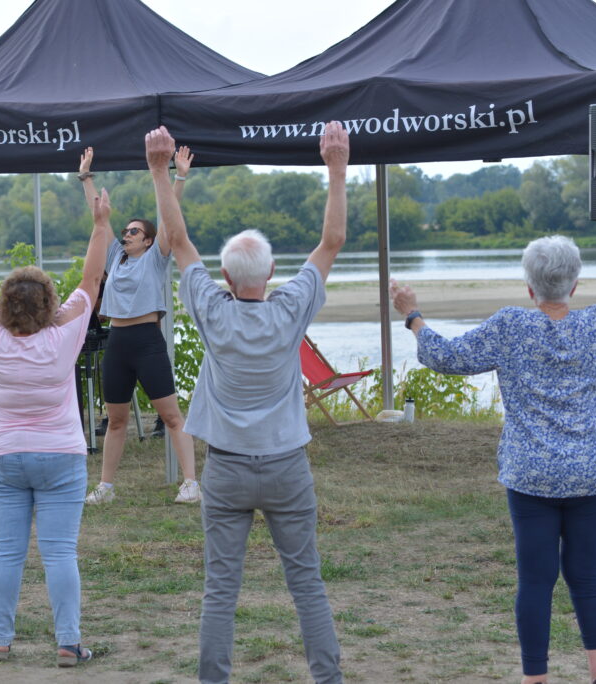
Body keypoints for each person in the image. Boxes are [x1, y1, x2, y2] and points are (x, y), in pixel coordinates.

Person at [146, 123, 349, 684]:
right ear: (272, 276)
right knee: (306, 581)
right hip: (287, 468)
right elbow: (330, 243)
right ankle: (327, 677)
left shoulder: (213, 310)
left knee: (221, 588)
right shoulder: (290, 311)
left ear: (227, 278)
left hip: (228, 469)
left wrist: (161, 170)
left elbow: (179, 241)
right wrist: (336, 166)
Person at [390, 236, 596, 684]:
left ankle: (536, 679)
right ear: (575, 285)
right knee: (588, 576)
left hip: (530, 474)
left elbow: (446, 356)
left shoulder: (512, 326)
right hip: (592, 473)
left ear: (530, 288)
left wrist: (412, 316)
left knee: (536, 580)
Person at [0, 185, 111, 667]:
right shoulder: (65, 334)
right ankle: (68, 643)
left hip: (4, 455)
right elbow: (91, 278)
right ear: (48, 303)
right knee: (60, 553)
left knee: (7, 553)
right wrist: (102, 224)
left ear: (8, 303)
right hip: (61, 455)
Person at [78, 145, 200, 505]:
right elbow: (98, 217)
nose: (126, 234)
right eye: (126, 230)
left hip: (147, 340)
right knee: (116, 420)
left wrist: (177, 177)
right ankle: (106, 487)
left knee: (172, 416)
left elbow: (169, 217)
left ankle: (191, 483)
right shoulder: (116, 257)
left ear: (148, 239)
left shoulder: (157, 257)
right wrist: (86, 177)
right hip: (118, 341)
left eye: (134, 231)